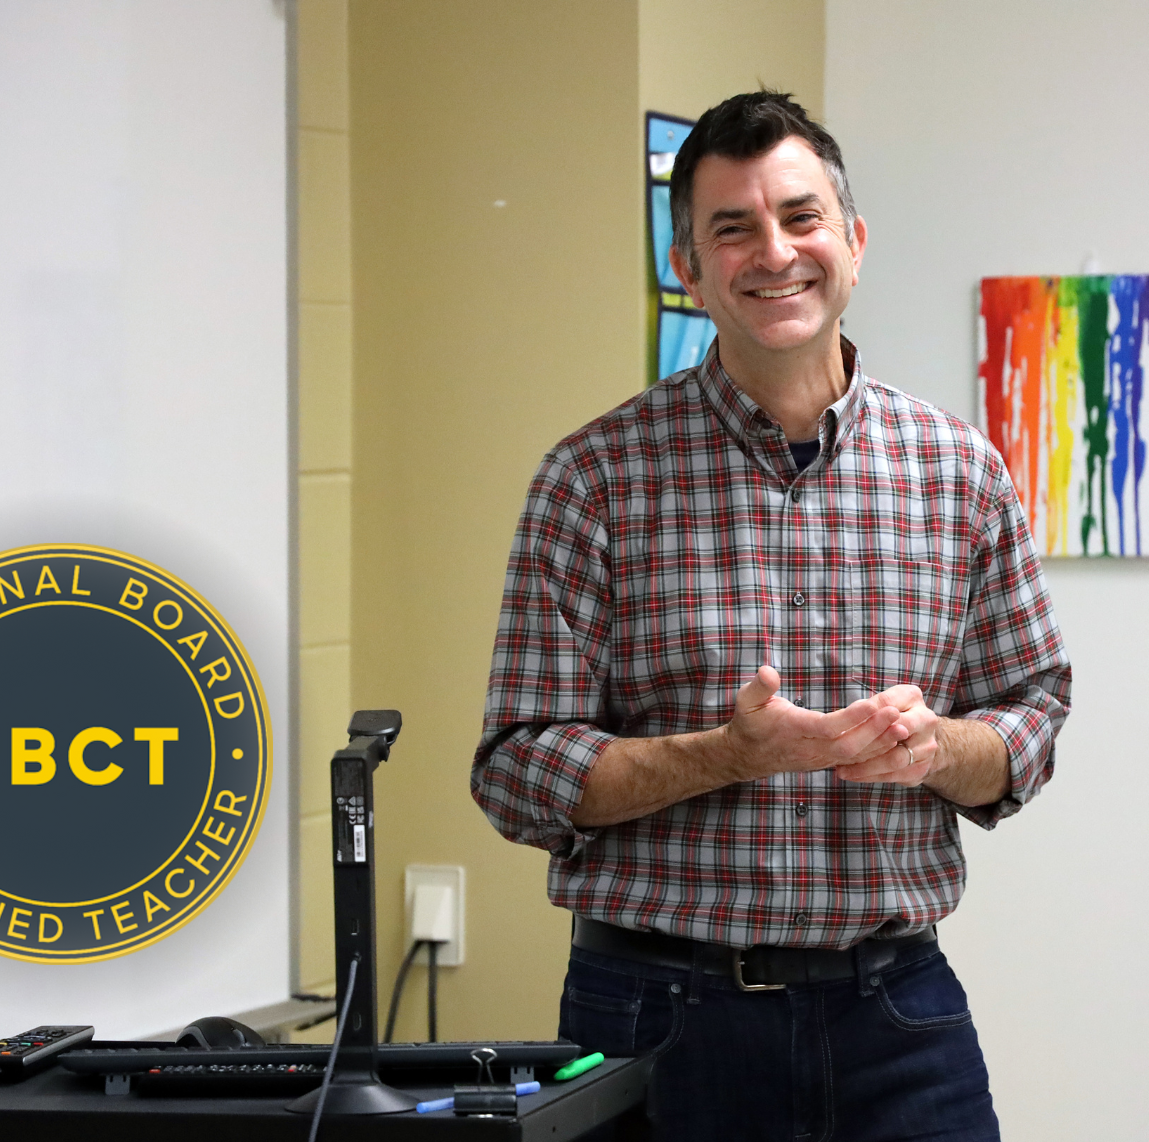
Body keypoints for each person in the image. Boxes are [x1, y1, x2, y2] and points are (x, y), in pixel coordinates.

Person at [471, 91, 1070, 1141]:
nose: (774, 251)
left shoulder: (958, 472)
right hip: (656, 1019)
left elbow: (1031, 716)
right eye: (731, 228)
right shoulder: (593, 478)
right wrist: (725, 754)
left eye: (800, 217)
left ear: (853, 241)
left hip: (898, 1015)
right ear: (687, 268)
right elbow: (516, 770)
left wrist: (936, 748)